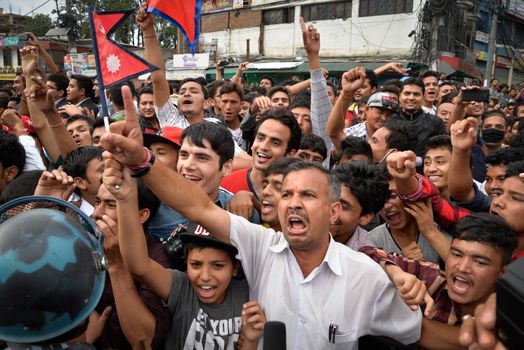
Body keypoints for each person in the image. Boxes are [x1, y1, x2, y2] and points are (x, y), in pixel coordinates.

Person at [100, 86, 422, 349]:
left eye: (307, 195)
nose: (294, 203)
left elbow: (419, 333)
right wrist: (142, 161)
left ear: (333, 210)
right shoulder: (261, 247)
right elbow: (198, 207)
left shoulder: (365, 273)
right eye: (286, 195)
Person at [101, 161, 265, 349]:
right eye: (195, 264)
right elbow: (139, 264)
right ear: (185, 264)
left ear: (235, 267)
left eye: (218, 265)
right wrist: (126, 199)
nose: (205, 276)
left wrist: (251, 339)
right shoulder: (181, 288)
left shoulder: (248, 297)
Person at [362, 212, 518, 349]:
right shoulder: (432, 279)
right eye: (456, 254)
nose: (462, 267)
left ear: (503, 272)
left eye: (479, 262)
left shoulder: (511, 321)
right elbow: (364, 253)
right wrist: (394, 271)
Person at [221, 109, 301, 197]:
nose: (263, 147)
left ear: (291, 154)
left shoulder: (297, 195)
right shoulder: (224, 185)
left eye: (275, 143)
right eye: (260, 138)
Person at [332, 161, 389, 250]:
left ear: (365, 217)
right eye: (328, 198)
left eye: (344, 206)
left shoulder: (366, 258)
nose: (329, 209)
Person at [392, 77, 447, 156]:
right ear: (400, 96)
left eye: (416, 94)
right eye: (407, 93)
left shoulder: (436, 123)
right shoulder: (390, 120)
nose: (411, 98)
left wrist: (420, 161)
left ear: (423, 96)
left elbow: (443, 152)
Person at [62, 146, 104, 216]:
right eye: (102, 170)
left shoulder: (125, 201)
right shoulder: (69, 219)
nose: (111, 173)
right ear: (80, 183)